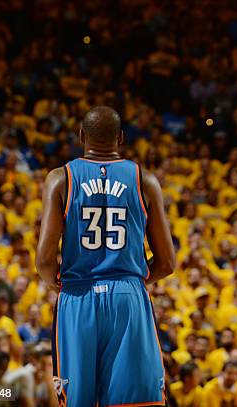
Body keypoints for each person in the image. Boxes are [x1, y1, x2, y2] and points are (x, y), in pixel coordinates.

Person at [36, 106, 176, 406]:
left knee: (78, 400)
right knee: (136, 402)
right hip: (128, 295)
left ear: (81, 136)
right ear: (121, 138)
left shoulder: (61, 178)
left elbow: (45, 259)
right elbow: (167, 263)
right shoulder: (145, 180)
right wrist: (130, 281)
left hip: (77, 294)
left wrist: (59, 285)